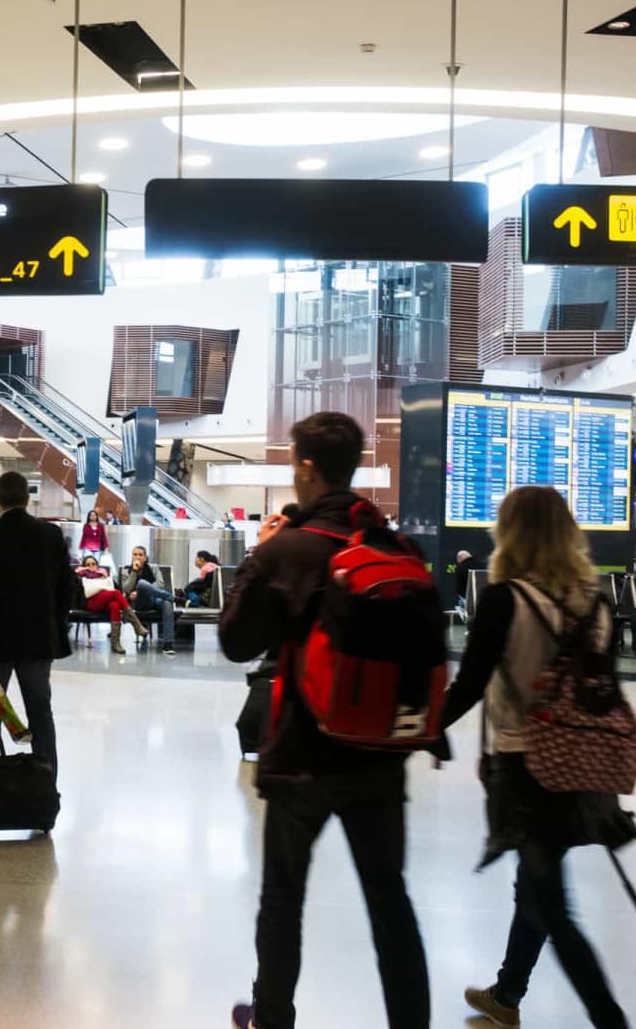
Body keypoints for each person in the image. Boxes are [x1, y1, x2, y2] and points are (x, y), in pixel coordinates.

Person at [222, 412, 431, 1029]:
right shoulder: (393, 547)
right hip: (379, 754)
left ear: (307, 468)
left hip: (303, 753)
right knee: (389, 902)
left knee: (283, 898)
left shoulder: (287, 549)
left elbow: (237, 642)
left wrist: (260, 557)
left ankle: (273, 1018)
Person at [440, 485, 633, 1029]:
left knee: (551, 902)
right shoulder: (597, 602)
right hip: (583, 766)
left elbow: (471, 684)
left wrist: (419, 732)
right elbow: (602, 689)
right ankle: (506, 995)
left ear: (510, 533)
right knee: (537, 881)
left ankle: (609, 1018)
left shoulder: (506, 598)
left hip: (526, 766)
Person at [0, 472, 73, 773]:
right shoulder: (50, 535)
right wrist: (56, 625)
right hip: (39, 641)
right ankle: (46, 785)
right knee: (41, 712)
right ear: (28, 499)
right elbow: (68, 588)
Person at [76, 554, 147, 655]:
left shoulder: (104, 574)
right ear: (84, 566)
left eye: (93, 564)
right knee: (115, 594)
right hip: (91, 603)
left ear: (97, 565)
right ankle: (136, 624)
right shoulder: (80, 575)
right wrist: (83, 571)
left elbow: (118, 589)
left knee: (115, 605)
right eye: (88, 564)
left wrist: (103, 578)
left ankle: (115, 643)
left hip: (105, 603)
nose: (91, 566)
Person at [123, 545, 177, 655]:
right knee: (141, 583)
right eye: (135, 554)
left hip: (154, 600)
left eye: (140, 555)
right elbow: (126, 589)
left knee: (167, 603)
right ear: (132, 557)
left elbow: (160, 584)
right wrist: (134, 572)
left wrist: (143, 590)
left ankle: (168, 644)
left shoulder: (154, 568)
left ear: (145, 558)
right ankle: (174, 598)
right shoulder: (126, 571)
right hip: (138, 603)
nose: (137, 557)